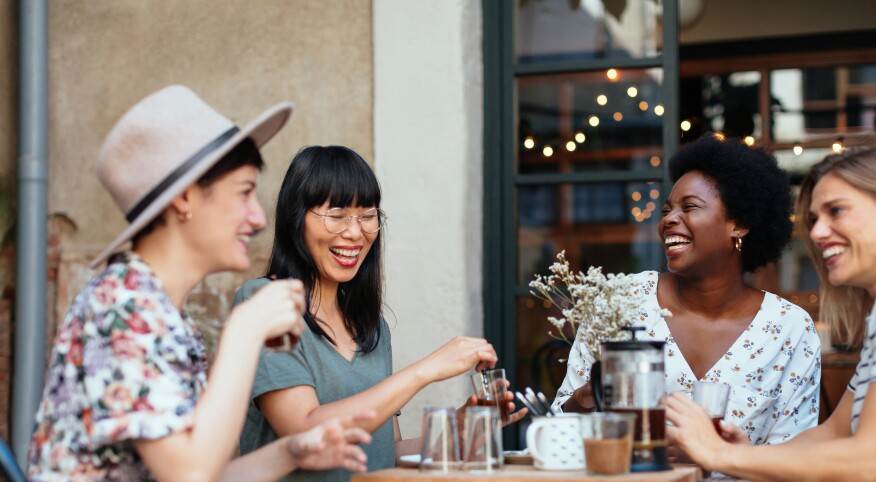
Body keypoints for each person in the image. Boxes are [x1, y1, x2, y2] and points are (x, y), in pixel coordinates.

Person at [27, 86, 373, 482]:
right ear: (185, 199)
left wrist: (291, 451)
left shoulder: (165, 313)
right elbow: (188, 476)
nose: (258, 219)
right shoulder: (123, 307)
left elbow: (207, 471)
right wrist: (245, 330)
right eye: (244, 193)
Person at [234, 145, 524, 482]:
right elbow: (304, 430)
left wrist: (460, 429)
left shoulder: (370, 326)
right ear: (296, 218)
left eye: (367, 215)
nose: (355, 232)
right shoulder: (266, 302)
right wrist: (426, 370)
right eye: (337, 214)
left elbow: (387, 452)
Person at [552, 133, 821, 448]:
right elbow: (561, 430)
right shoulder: (622, 299)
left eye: (689, 207)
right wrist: (586, 398)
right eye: (667, 211)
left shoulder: (788, 329)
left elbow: (794, 458)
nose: (669, 220)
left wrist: (729, 456)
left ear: (740, 224)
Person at [665, 146, 876, 480]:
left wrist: (719, 453)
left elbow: (867, 462)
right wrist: (746, 454)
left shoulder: (788, 324)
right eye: (814, 219)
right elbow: (834, 432)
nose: (818, 233)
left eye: (836, 211)